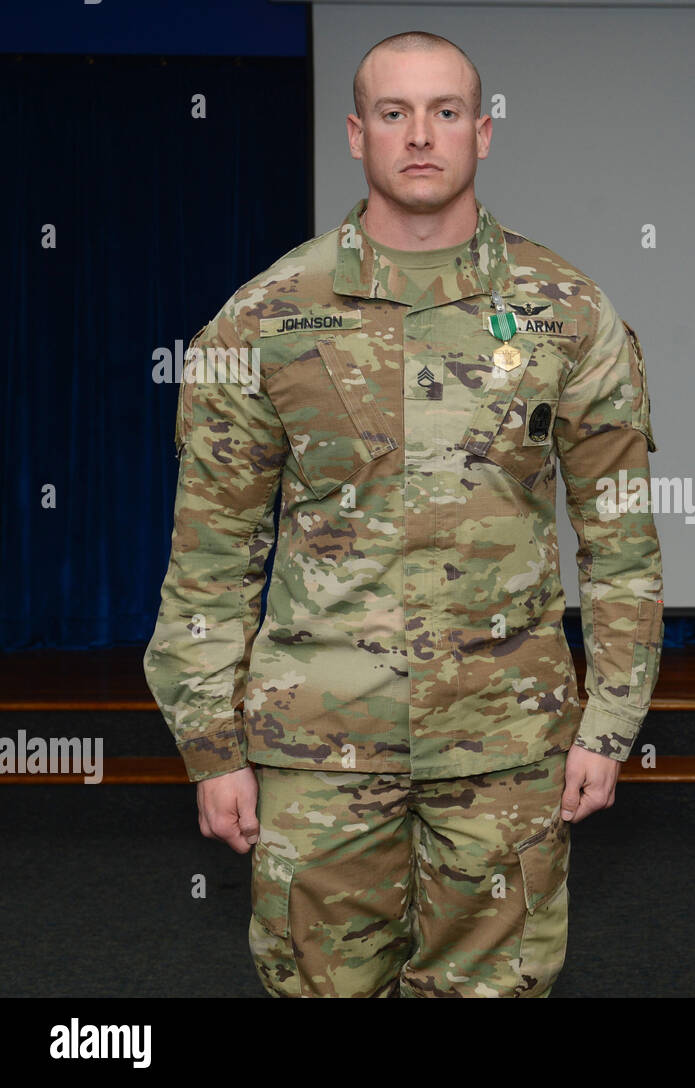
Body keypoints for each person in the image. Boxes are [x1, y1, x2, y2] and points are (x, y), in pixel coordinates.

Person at [143, 31, 662, 998]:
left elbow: (621, 541)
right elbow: (212, 556)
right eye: (394, 113)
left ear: (484, 133)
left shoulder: (569, 313)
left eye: (445, 112)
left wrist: (609, 722)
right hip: (317, 748)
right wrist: (210, 744)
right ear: (355, 133)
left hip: (508, 743)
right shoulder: (264, 320)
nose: (420, 135)